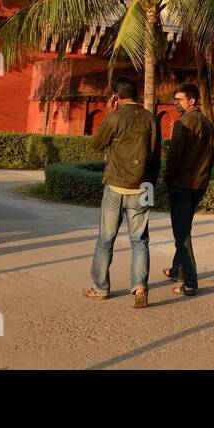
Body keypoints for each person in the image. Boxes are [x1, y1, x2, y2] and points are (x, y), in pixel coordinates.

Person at [85, 75, 162, 308]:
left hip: (115, 188)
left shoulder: (115, 118)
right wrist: (150, 184)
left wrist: (110, 113)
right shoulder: (150, 119)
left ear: (116, 97)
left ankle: (100, 288)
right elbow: (156, 155)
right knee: (139, 240)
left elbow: (97, 144)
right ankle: (140, 288)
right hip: (142, 187)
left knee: (105, 239)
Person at [161, 83, 214, 296]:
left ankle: (190, 281)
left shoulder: (183, 123)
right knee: (184, 228)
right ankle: (177, 270)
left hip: (183, 184)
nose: (175, 103)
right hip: (198, 184)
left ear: (191, 101)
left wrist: (167, 177)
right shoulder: (207, 123)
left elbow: (174, 157)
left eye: (179, 99)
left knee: (181, 233)